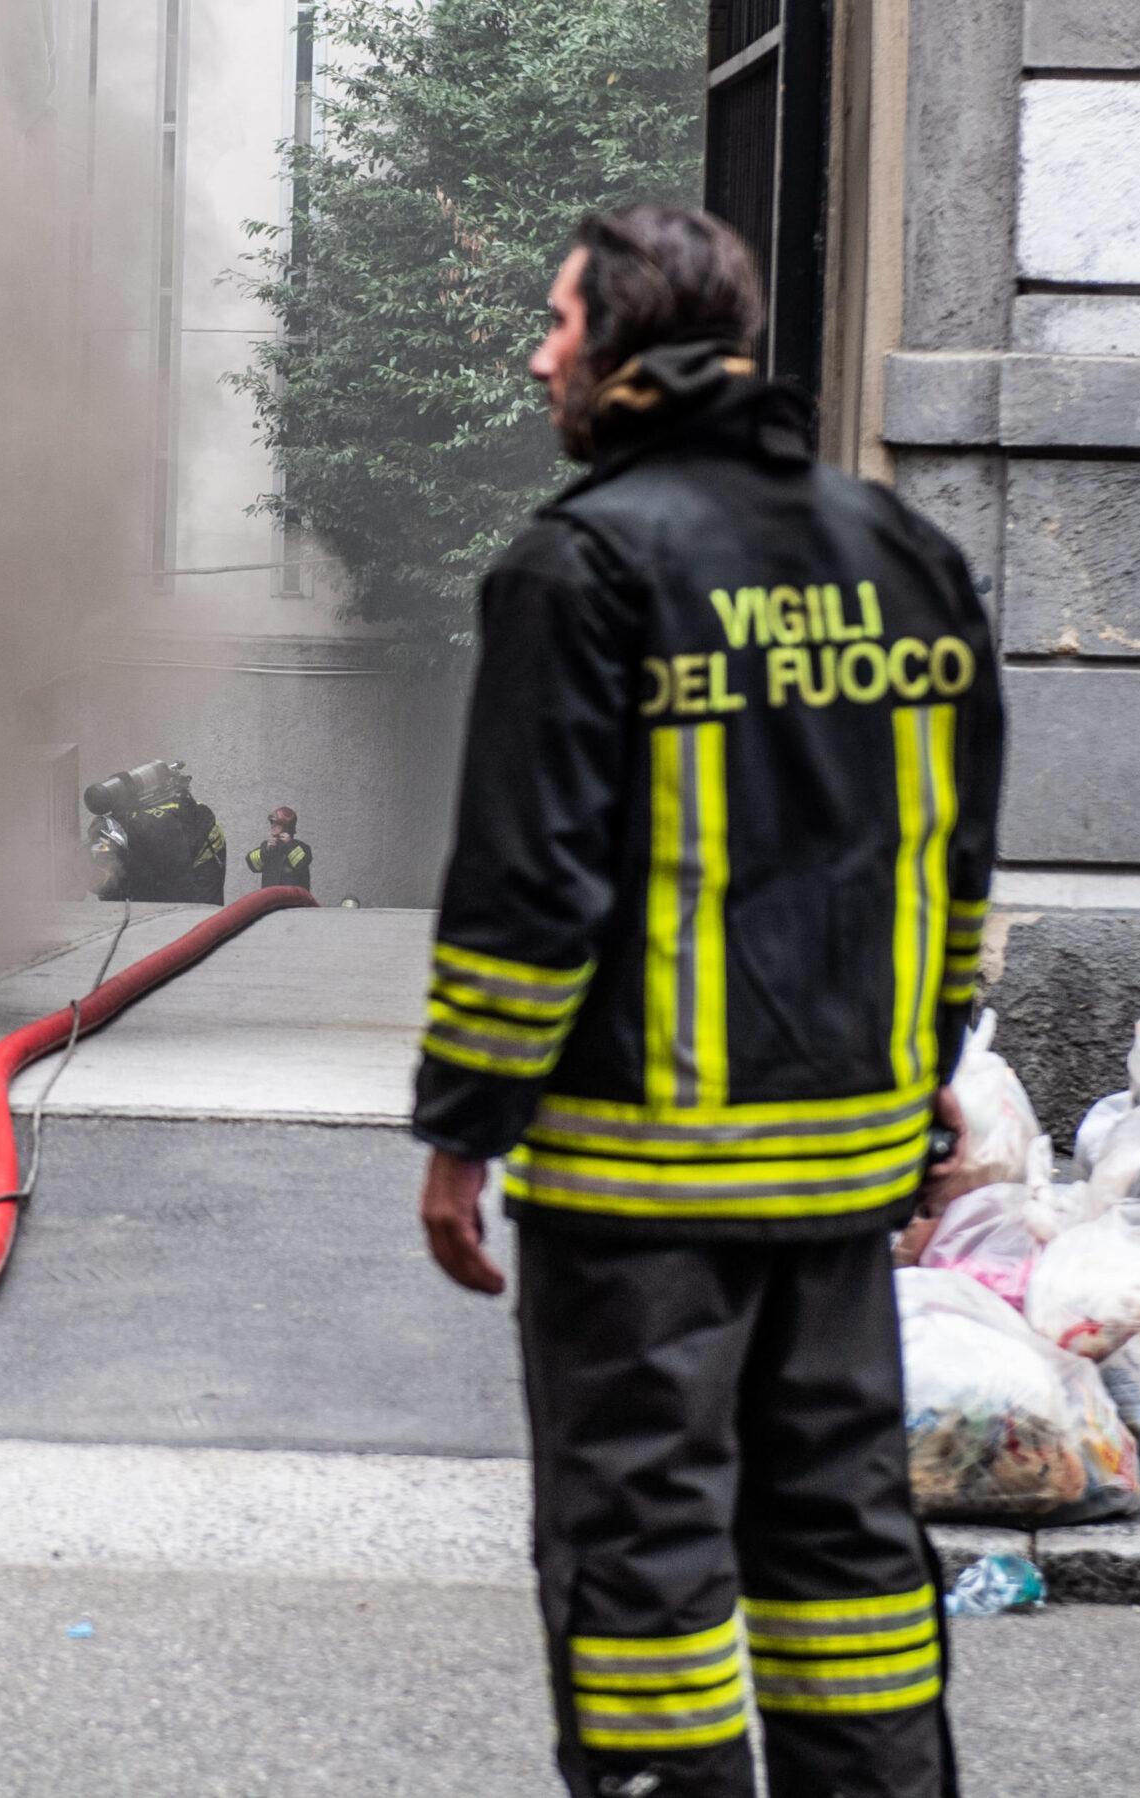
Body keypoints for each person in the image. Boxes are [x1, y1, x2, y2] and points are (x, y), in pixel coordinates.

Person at [410, 207, 999, 1798]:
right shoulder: (905, 555)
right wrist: (929, 1073)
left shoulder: (579, 565)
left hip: (641, 1180)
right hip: (845, 1168)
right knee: (843, 1541)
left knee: (643, 1556)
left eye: (556, 322)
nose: (540, 353)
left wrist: (463, 1130)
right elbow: (945, 860)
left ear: (627, 349)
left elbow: (529, 895)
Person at [84, 761, 226, 905]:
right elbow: (107, 884)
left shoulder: (154, 831)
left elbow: (178, 882)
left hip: (201, 854)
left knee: (202, 915)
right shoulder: (103, 830)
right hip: (158, 856)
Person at [244, 805, 314, 892]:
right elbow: (252, 864)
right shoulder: (267, 847)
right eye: (272, 822)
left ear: (287, 826)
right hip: (271, 899)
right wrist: (265, 851)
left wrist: (289, 845)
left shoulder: (301, 847)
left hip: (293, 901)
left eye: (276, 823)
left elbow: (301, 864)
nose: (272, 826)